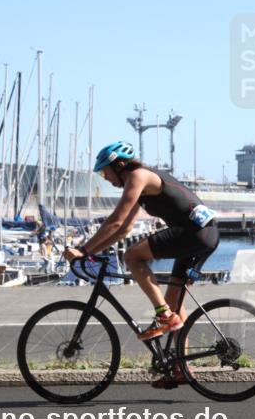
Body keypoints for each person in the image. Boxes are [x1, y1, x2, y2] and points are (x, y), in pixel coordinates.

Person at [63, 141, 219, 386]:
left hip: (195, 234)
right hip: (202, 235)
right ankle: (182, 369)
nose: (105, 178)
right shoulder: (137, 182)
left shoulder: (138, 176)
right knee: (174, 300)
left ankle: (163, 316)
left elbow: (115, 221)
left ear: (120, 165)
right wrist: (92, 251)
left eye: (106, 172)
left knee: (132, 257)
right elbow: (123, 229)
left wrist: (83, 250)